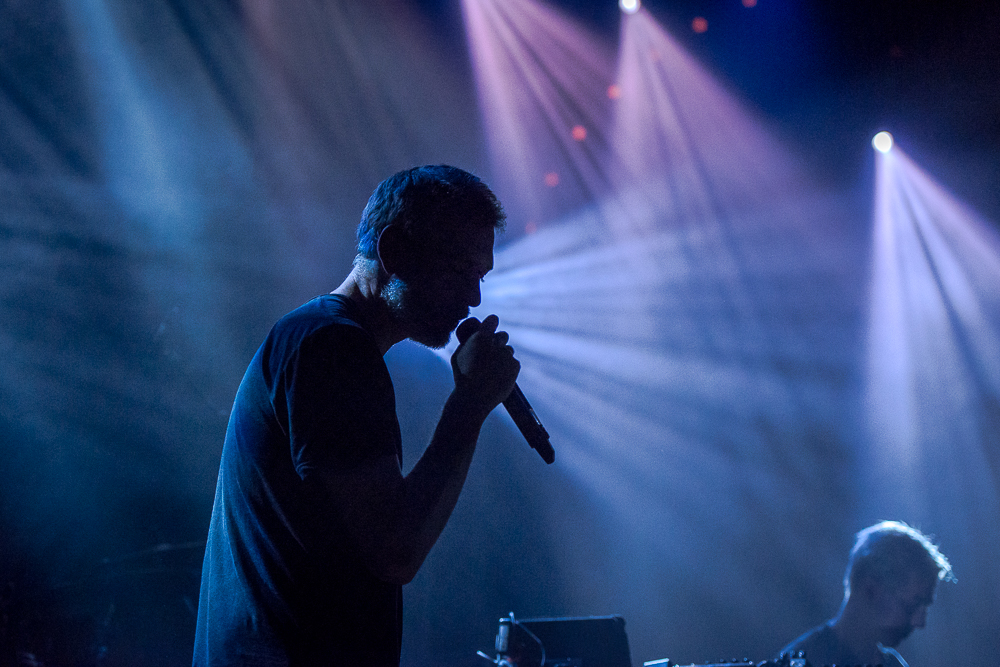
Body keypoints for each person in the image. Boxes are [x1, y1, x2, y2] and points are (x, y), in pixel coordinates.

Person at [192, 165, 519, 666]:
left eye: (480, 276)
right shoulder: (331, 346)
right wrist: (470, 403)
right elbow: (396, 550)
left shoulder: (321, 339)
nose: (474, 297)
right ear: (394, 252)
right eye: (459, 270)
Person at [777, 521, 954, 667]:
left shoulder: (892, 663)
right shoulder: (800, 660)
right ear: (870, 590)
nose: (919, 622)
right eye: (910, 606)